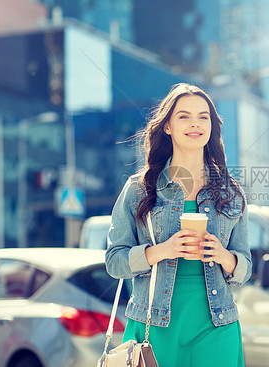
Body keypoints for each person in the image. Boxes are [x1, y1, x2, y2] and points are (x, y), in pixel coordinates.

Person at [105, 83, 252, 367]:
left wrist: (225, 257)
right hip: (154, 328)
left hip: (216, 326)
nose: (195, 123)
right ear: (168, 126)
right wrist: (161, 251)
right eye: (184, 116)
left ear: (212, 126)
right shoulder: (139, 189)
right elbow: (114, 262)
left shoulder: (231, 191)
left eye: (203, 116)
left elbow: (245, 267)